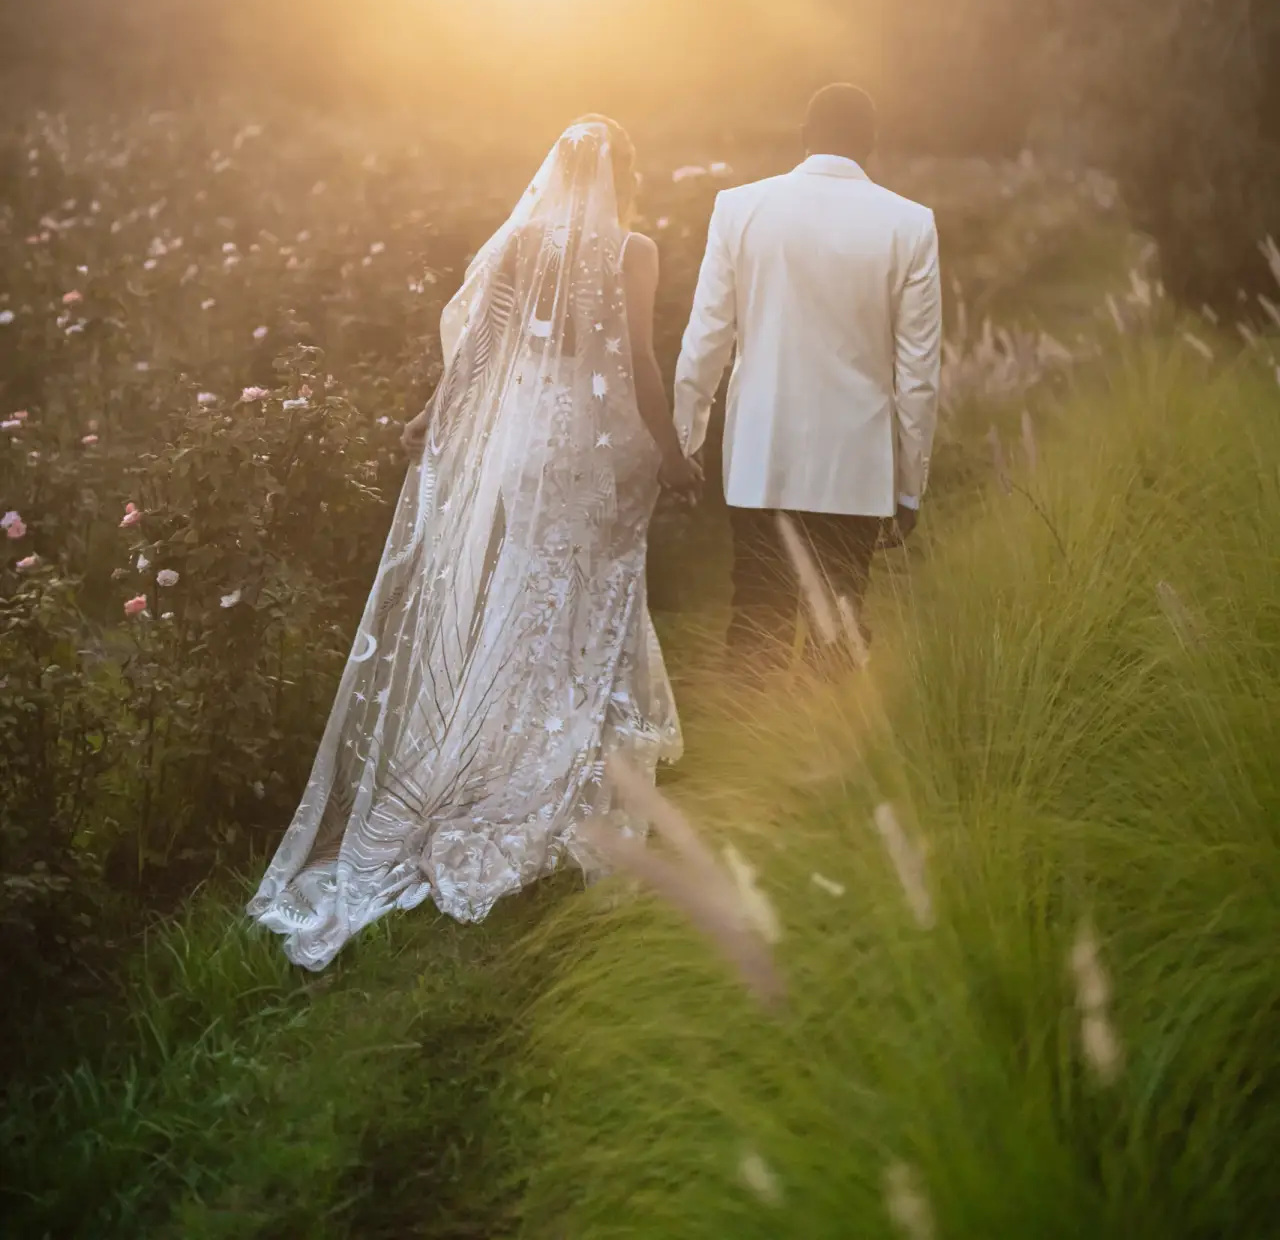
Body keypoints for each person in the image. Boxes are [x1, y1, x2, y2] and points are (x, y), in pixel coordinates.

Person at [249, 117, 698, 969]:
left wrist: (430, 413)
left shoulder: (523, 240)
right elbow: (639, 360)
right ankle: (555, 758)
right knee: (581, 593)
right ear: (620, 174)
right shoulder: (632, 251)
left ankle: (494, 736)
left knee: (519, 584)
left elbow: (483, 351)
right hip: (591, 446)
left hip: (522, 440)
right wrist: (670, 454)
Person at [673, 84, 942, 662]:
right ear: (871, 145)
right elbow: (919, 375)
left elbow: (707, 336)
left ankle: (752, 740)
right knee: (841, 629)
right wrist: (909, 485)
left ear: (802, 138)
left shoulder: (738, 208)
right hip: (856, 463)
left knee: (756, 616)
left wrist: (687, 437)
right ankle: (825, 746)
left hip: (760, 455)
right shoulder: (911, 225)